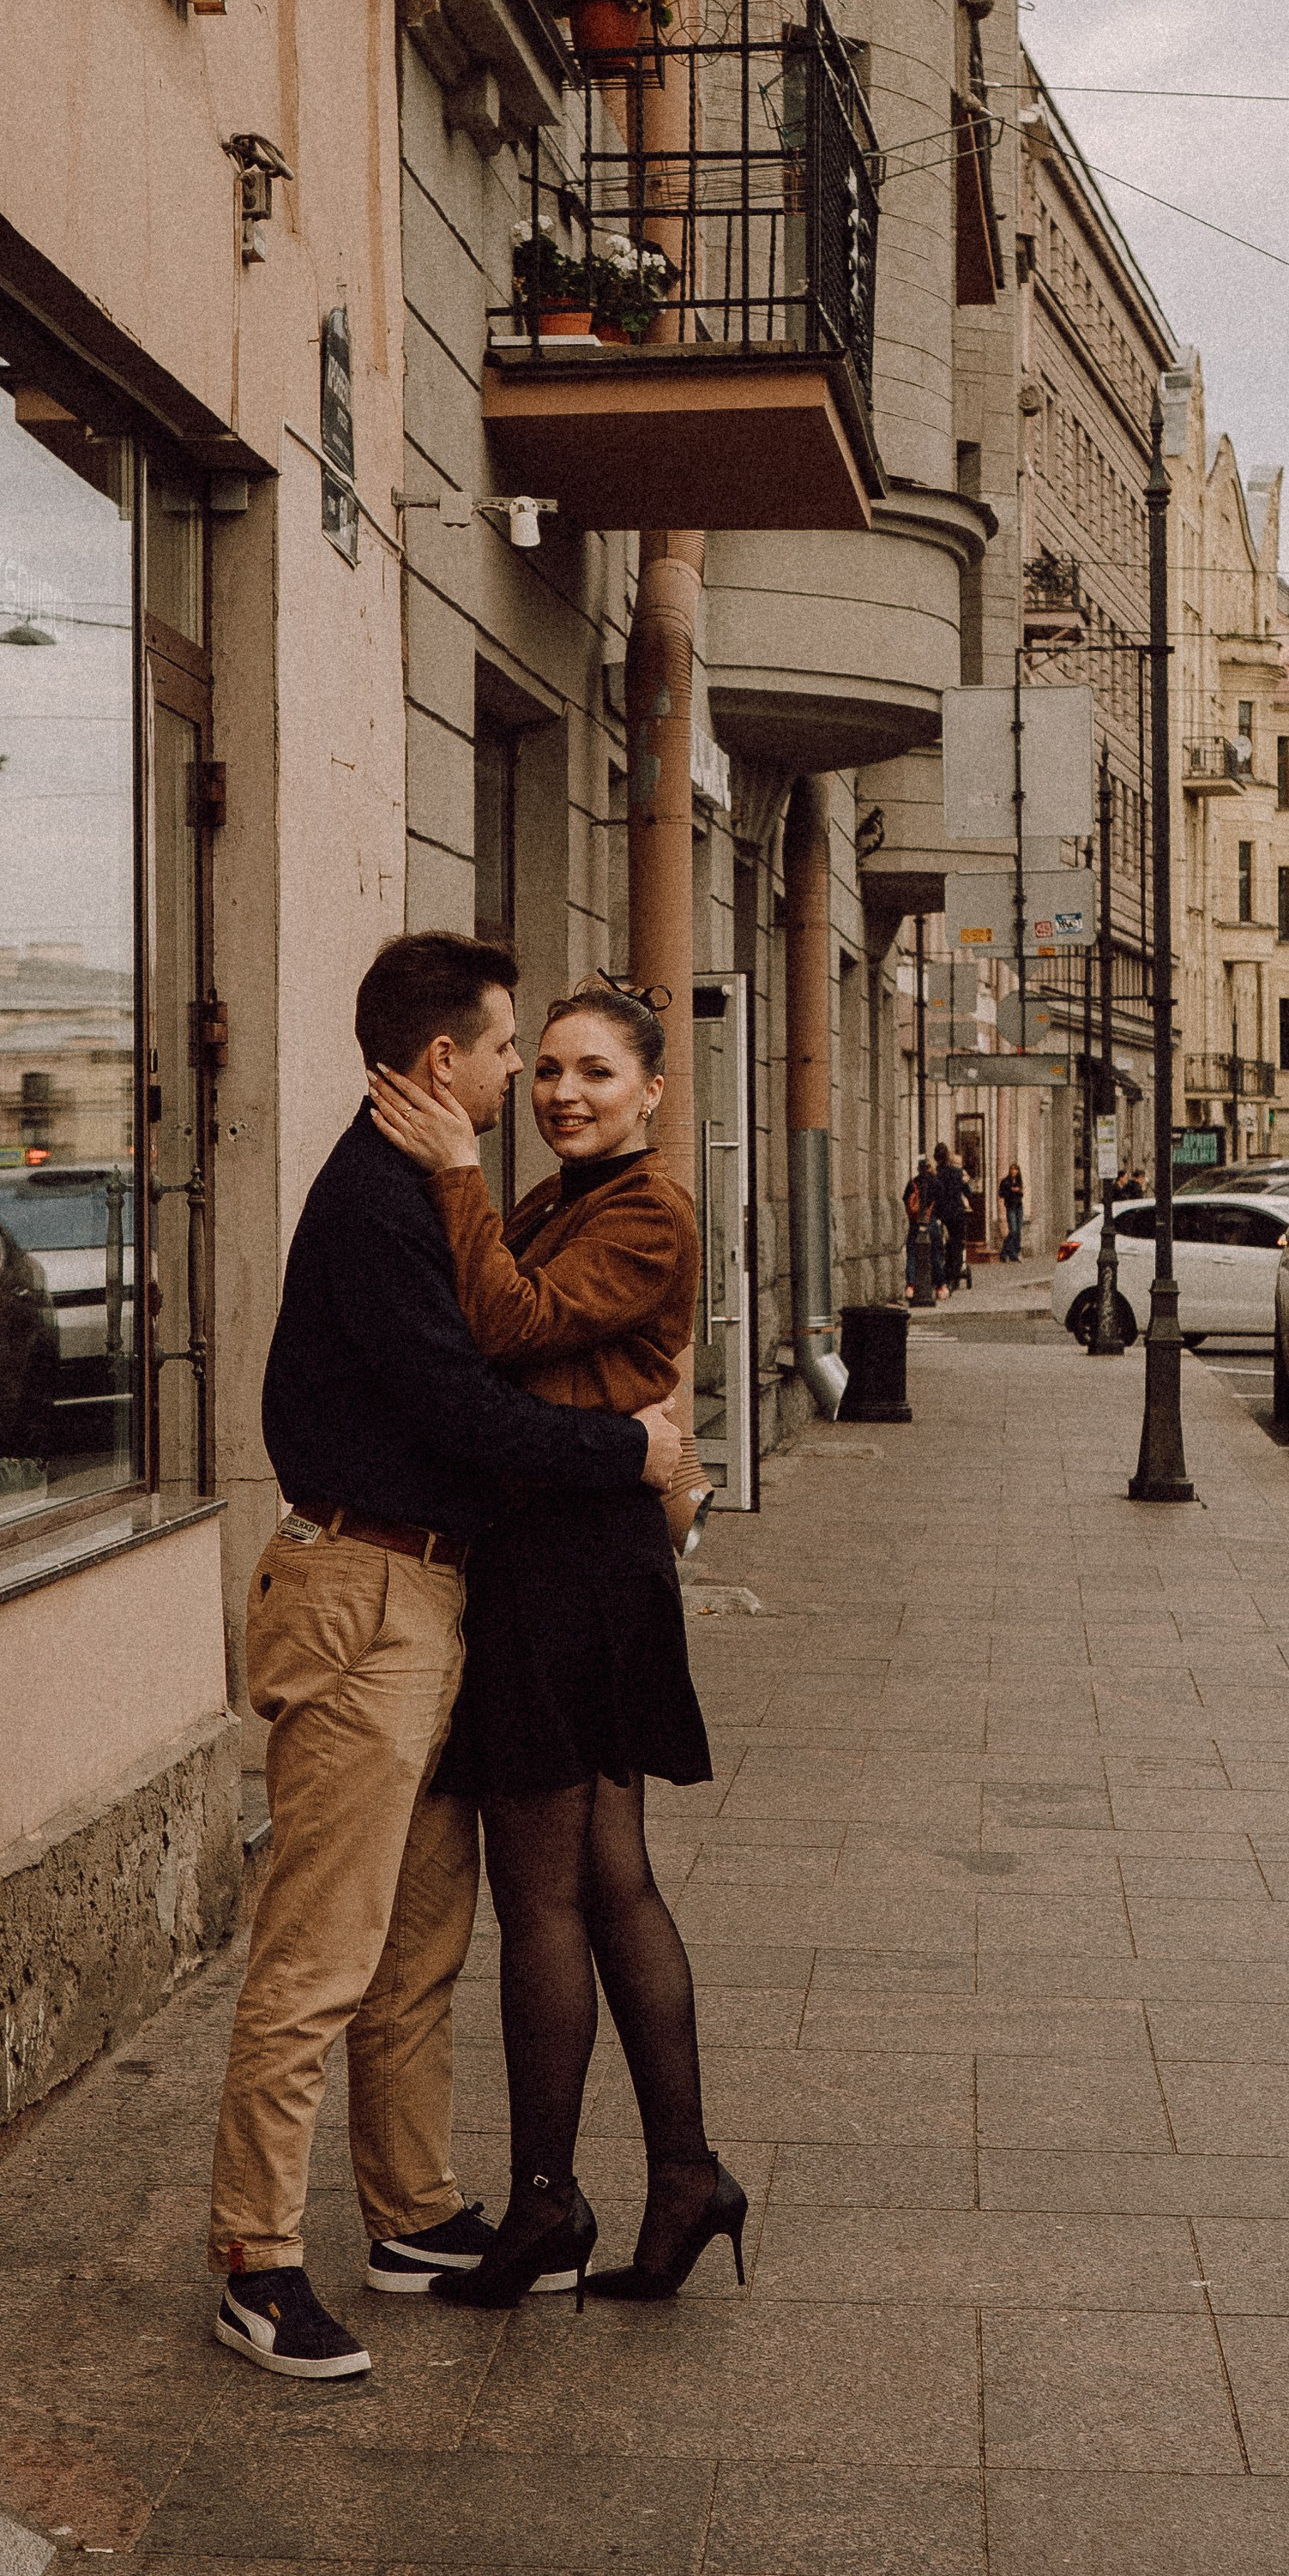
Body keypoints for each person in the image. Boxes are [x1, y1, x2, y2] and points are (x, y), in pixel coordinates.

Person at [207, 933, 682, 2385]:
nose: (521, 1076)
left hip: (421, 1593)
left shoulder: (429, 1188)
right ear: (443, 1061)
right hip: (361, 1592)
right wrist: (630, 1450)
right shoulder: (380, 1200)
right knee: (320, 1952)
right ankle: (256, 2263)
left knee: (416, 1945)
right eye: (509, 1051)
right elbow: (464, 1404)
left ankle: (410, 2215)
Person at [367, 981, 746, 2310]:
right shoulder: (564, 1202)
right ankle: (684, 2178)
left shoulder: (645, 1211)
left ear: (653, 1093)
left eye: (596, 1073)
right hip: (576, 1555)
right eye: (549, 1071)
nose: (564, 1093)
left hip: (570, 1567)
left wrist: (455, 1173)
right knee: (608, 1876)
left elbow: (506, 1328)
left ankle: (547, 2202)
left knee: (547, 1895)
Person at [933, 1142, 973, 1294]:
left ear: (936, 1158)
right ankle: (953, 1278)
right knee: (956, 1245)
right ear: (948, 1156)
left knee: (940, 1244)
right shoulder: (957, 1173)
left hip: (940, 1213)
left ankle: (941, 1276)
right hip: (956, 1212)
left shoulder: (935, 1174)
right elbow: (968, 1192)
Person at [903, 1155, 938, 1307]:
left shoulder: (913, 1183)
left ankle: (911, 1285)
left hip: (914, 1223)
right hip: (930, 1221)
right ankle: (939, 1286)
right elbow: (941, 1200)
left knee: (912, 1253)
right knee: (935, 1253)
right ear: (929, 1168)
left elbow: (905, 1200)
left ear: (918, 1169)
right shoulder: (935, 1182)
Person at [997, 1159, 1025, 1262]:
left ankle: (1015, 1253)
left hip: (1019, 1207)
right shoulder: (1005, 1181)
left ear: (1018, 1171)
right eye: (1012, 1169)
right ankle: (1005, 1252)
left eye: (1015, 1169)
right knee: (1013, 1230)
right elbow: (1001, 1193)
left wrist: (1020, 1191)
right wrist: (1011, 1190)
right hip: (1011, 1207)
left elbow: (1021, 1193)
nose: (1014, 1171)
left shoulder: (1019, 1181)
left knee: (1018, 1231)